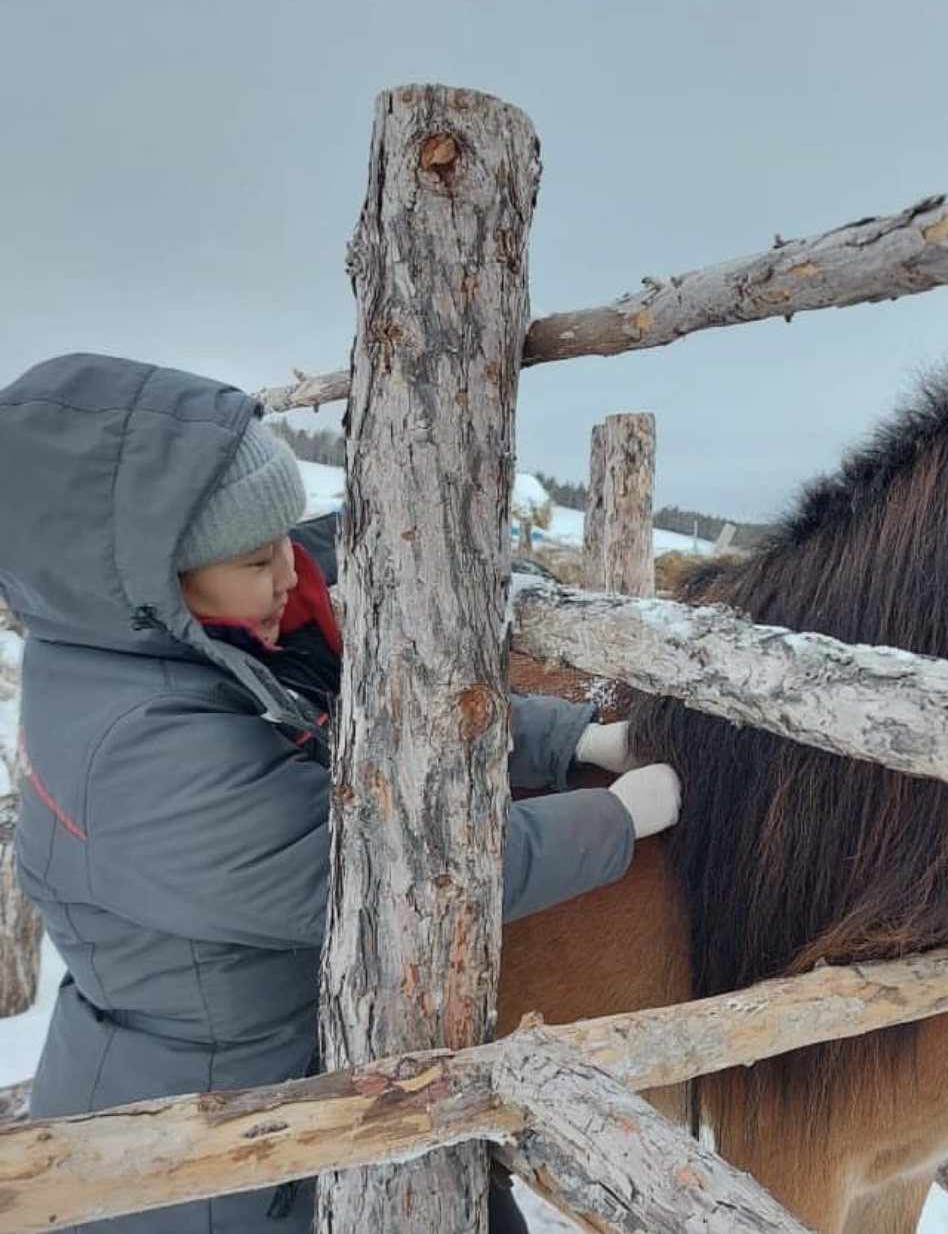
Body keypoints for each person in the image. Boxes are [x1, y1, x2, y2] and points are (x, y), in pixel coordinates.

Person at [1, 353, 681, 1233]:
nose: (290, 572)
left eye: (287, 536)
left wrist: (570, 738)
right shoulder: (137, 749)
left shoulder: (189, 641)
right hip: (214, 1159)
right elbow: (385, 881)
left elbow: (372, 713)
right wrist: (613, 820)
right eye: (255, 556)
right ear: (157, 572)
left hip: (282, 1071)